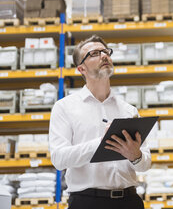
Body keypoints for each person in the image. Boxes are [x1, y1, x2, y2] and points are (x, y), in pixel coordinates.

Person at [49, 35, 151, 209]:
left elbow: (145, 163)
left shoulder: (129, 110)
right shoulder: (64, 107)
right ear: (81, 69)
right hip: (87, 202)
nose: (104, 56)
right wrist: (102, 143)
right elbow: (59, 159)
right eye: (94, 53)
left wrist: (136, 156)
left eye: (106, 51)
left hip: (129, 201)